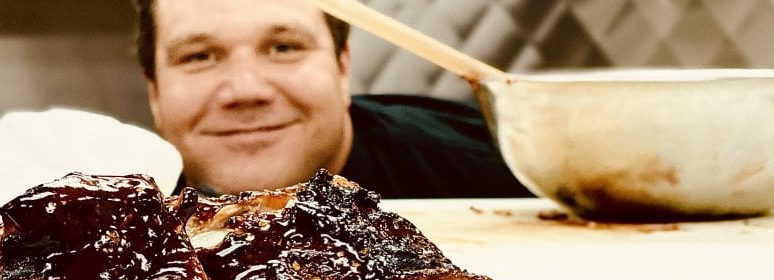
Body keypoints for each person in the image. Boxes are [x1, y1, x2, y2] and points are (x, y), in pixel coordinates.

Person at [133, 0, 532, 198]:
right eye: (199, 57)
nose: (246, 91)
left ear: (343, 68)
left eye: (284, 48)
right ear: (154, 90)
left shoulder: (508, 176)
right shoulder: (99, 222)